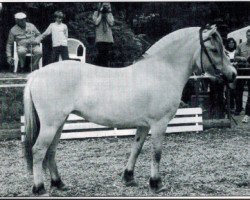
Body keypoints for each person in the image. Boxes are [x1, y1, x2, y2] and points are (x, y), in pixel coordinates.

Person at [234, 29, 250, 122]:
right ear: (246, 36)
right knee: (239, 90)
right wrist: (242, 58)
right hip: (242, 70)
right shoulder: (240, 46)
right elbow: (235, 57)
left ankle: (248, 111)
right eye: (248, 35)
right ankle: (238, 109)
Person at [92, 2, 114, 67]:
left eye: (107, 5)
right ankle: (98, 68)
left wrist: (106, 14)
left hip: (108, 38)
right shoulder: (96, 13)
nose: (106, 7)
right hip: (100, 38)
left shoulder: (109, 14)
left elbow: (111, 23)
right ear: (100, 6)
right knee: (100, 55)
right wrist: (101, 13)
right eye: (104, 5)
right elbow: (96, 22)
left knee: (106, 56)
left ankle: (105, 71)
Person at [225, 38, 237, 113]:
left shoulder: (236, 52)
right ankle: (228, 106)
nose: (231, 44)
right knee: (227, 90)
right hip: (227, 72)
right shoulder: (225, 52)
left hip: (235, 72)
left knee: (234, 90)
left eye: (232, 42)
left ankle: (233, 106)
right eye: (229, 43)